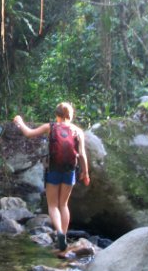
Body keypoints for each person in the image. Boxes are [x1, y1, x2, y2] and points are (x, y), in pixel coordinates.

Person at [13, 102, 90, 251]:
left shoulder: (51, 127)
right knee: (63, 205)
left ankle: (59, 232)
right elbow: (82, 155)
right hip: (69, 170)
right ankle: (65, 237)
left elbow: (28, 133)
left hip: (53, 169)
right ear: (71, 115)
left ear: (57, 115)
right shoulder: (77, 131)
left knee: (53, 205)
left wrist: (20, 122)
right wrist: (85, 173)